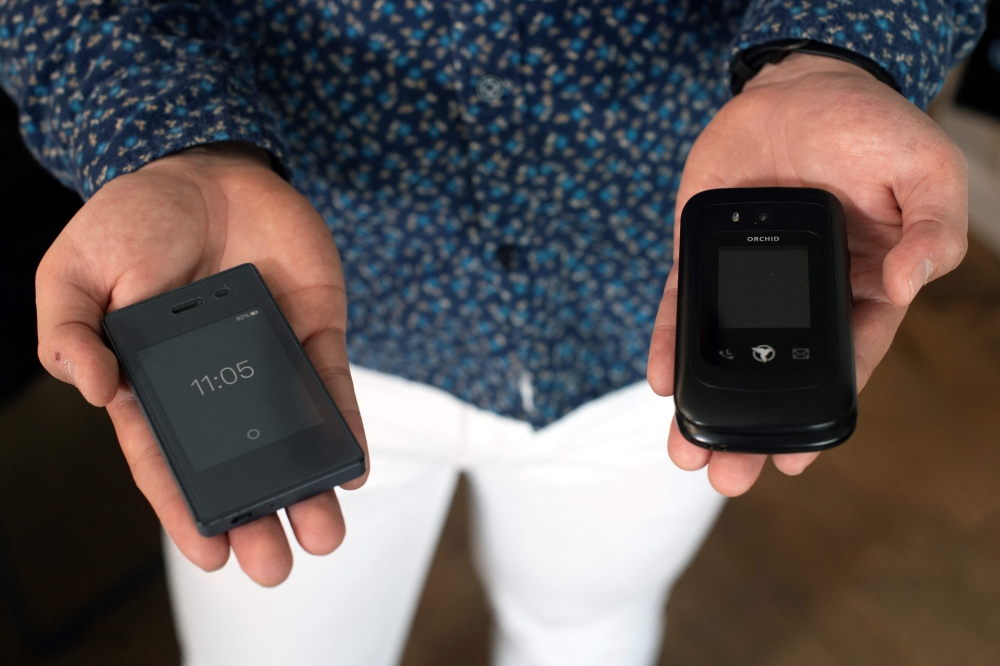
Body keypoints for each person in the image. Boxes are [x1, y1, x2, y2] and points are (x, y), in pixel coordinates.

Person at [0, 0, 985, 664]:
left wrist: (834, 51)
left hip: (652, 319)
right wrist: (158, 136)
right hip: (292, 314)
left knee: (586, 627)